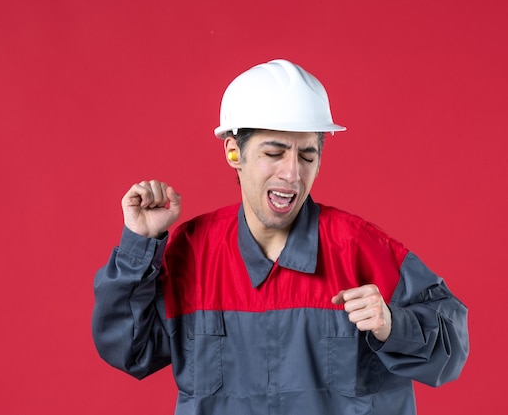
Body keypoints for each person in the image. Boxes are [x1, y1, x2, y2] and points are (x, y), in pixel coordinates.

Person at [92, 59, 469, 415]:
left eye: (307, 157)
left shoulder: (363, 251)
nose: (292, 173)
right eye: (274, 152)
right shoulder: (193, 253)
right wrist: (139, 244)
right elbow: (128, 350)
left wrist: (392, 325)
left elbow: (452, 351)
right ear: (233, 152)